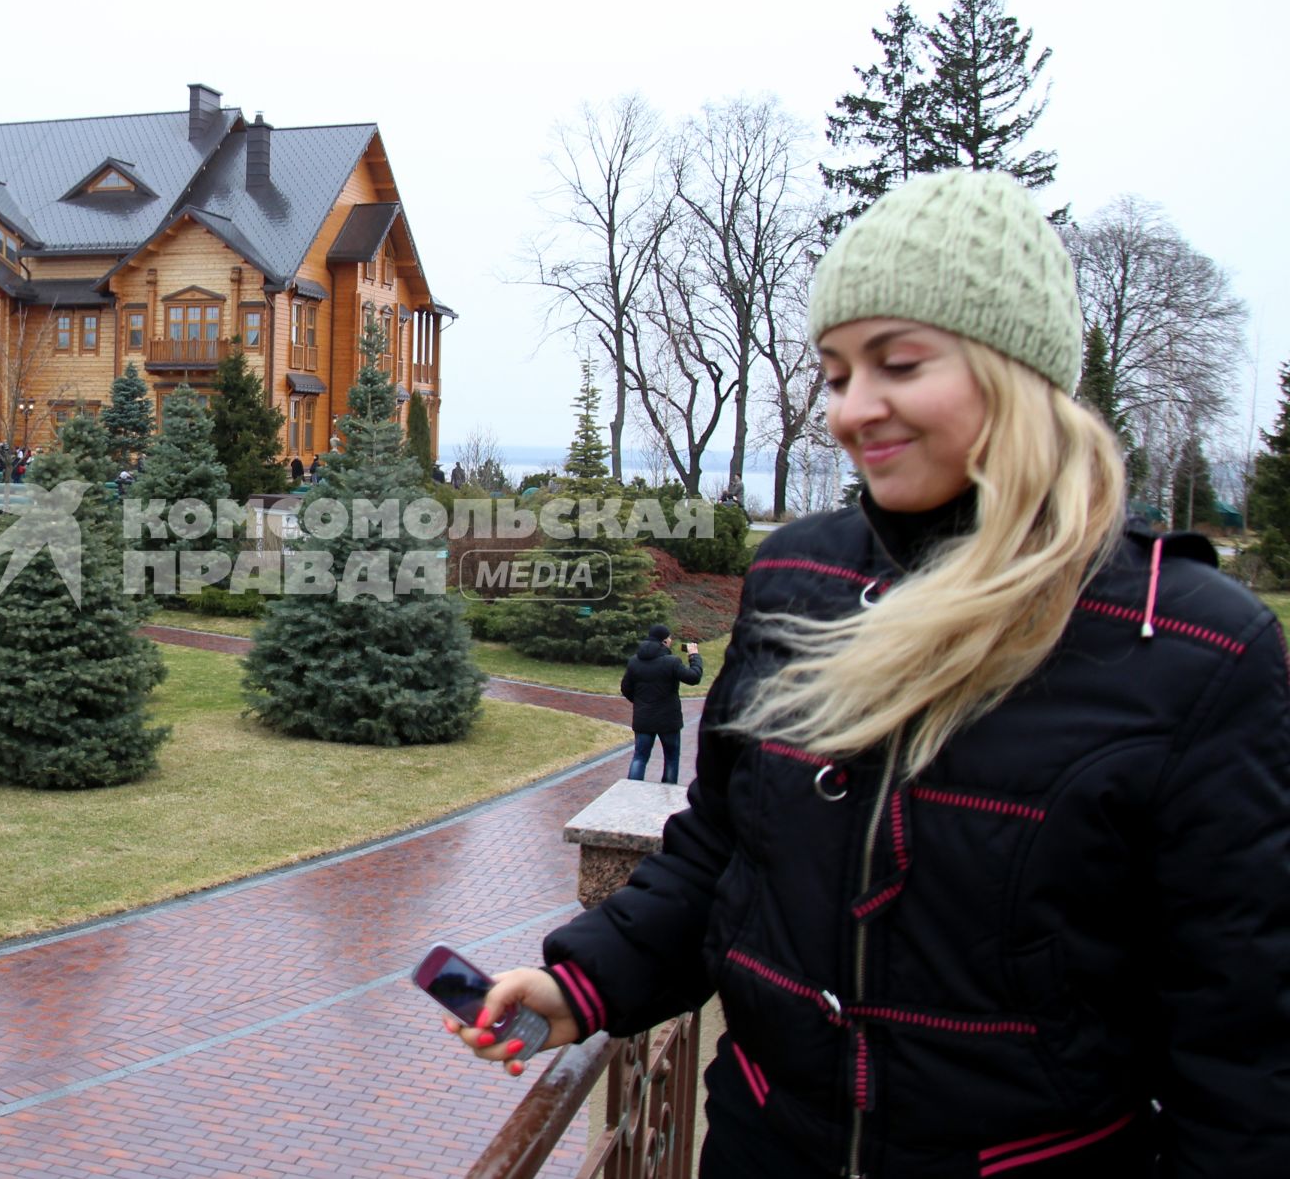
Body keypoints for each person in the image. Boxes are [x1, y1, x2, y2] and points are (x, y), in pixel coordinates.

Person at [443, 170, 1290, 1177]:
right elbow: (725, 849)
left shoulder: (1192, 645)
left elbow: (1245, 1042)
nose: (853, 409)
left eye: (897, 364)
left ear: (1016, 370)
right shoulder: (798, 577)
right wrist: (581, 982)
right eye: (837, 374)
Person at [619, 624, 702, 783]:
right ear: (664, 642)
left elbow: (625, 688)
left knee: (640, 757)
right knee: (671, 758)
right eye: (669, 638)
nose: (671, 640)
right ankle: (667, 795)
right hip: (668, 720)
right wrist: (694, 656)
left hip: (644, 719)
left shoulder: (634, 661)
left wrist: (640, 702)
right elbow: (694, 677)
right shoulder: (672, 662)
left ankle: (629, 792)